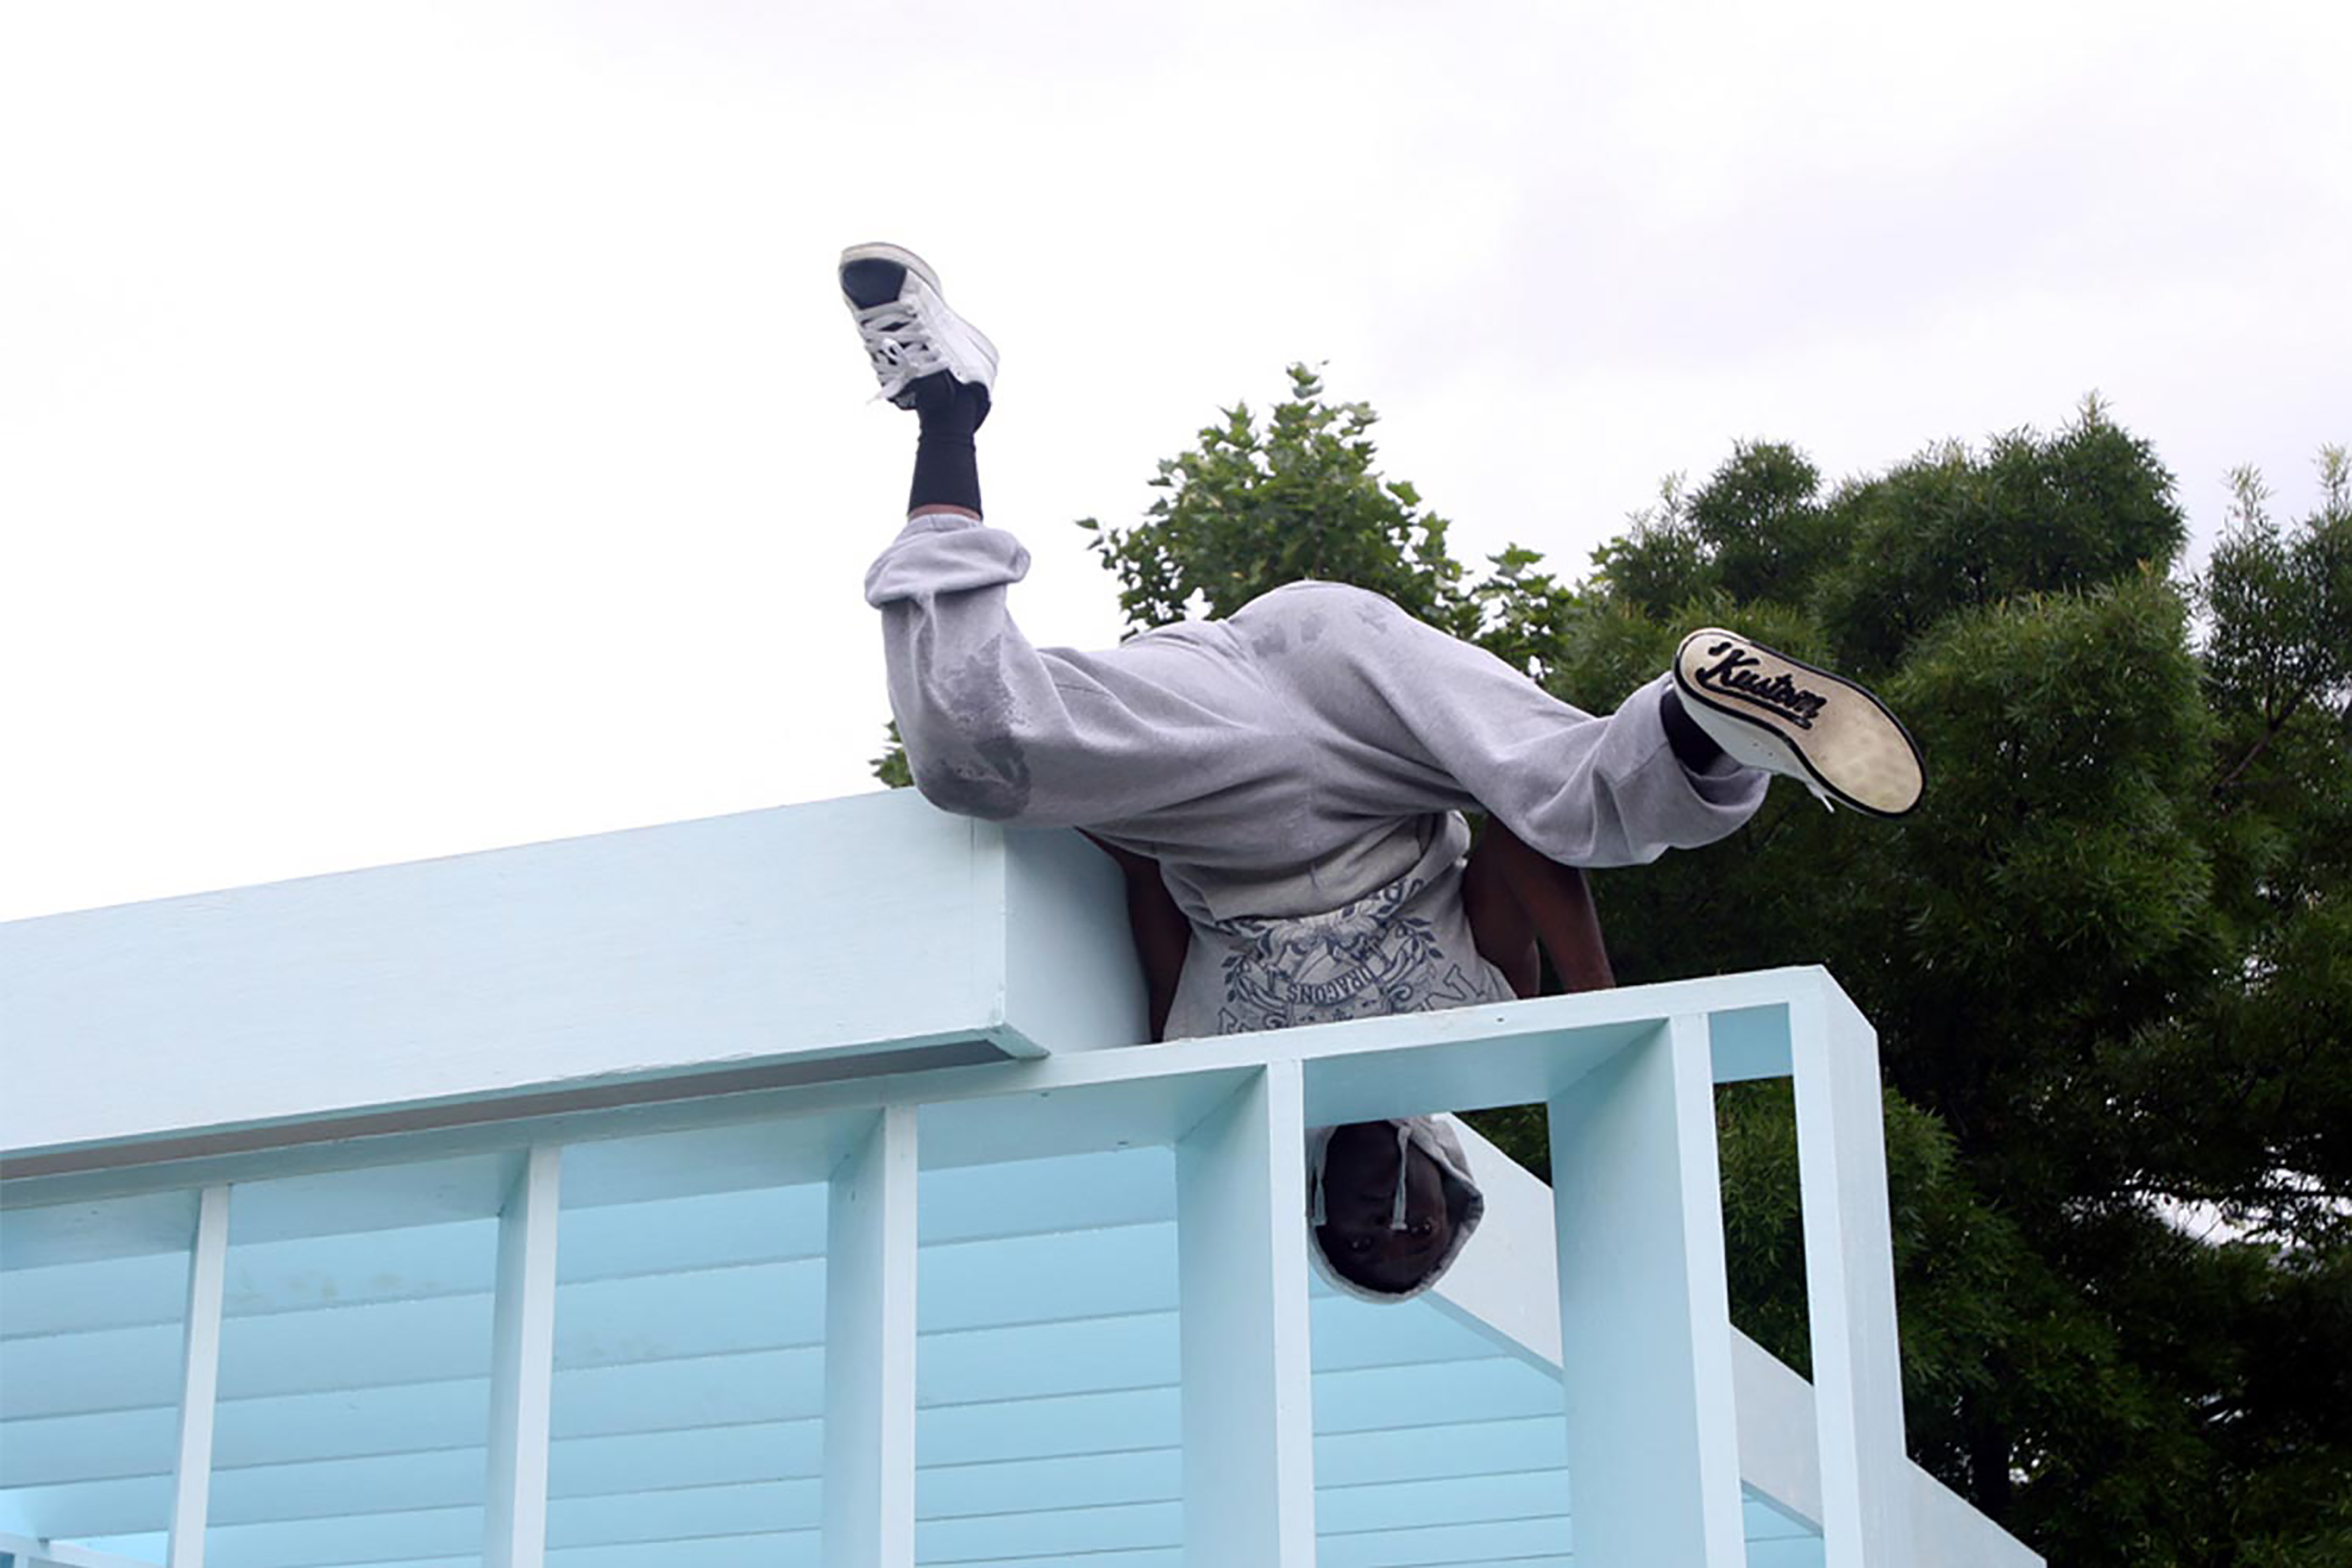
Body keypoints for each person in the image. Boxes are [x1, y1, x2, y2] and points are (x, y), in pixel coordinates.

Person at [842, 242, 1925, 1303]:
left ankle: (949, 403)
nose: (1393, 1214)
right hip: (1374, 725)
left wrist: (1092, 778)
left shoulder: (1216, 1070)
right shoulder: (1475, 1017)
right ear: (1455, 1182)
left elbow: (1141, 892)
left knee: (967, 752)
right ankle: (1704, 718)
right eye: (1421, 1227)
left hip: (1226, 768)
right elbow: (1522, 837)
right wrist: (1596, 1020)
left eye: (1369, 1231)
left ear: (1319, 1202)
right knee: (1573, 795)